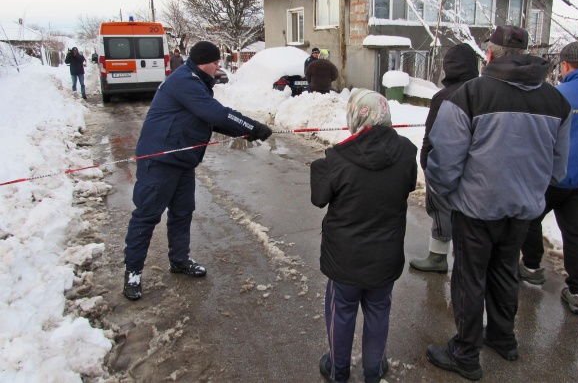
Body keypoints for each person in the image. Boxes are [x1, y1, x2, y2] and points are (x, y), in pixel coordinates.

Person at [425, 25, 572, 380]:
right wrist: (530, 190)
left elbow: (445, 160)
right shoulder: (557, 100)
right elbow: (559, 167)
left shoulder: (471, 94)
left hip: (476, 209)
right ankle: (503, 338)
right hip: (522, 208)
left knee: (469, 277)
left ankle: (465, 352)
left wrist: (444, 193)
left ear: (489, 54)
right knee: (505, 273)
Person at [122, 41, 273, 301]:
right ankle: (133, 273)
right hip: (160, 160)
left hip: (182, 160)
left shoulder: (197, 80)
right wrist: (253, 126)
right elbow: (215, 114)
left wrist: (247, 131)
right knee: (146, 216)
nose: (218, 65)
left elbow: (207, 118)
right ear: (203, 61)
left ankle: (179, 259)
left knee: (182, 212)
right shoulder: (185, 81)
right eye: (215, 61)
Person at [310, 89, 417, 383]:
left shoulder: (338, 157)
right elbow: (407, 184)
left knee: (341, 312)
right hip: (386, 256)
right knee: (379, 312)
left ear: (356, 116)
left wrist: (324, 163)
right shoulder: (407, 152)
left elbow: (319, 196)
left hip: (345, 260)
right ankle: (373, 370)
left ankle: (338, 370)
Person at [519, 41, 578, 315]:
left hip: (558, 176)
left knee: (530, 217)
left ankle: (532, 266)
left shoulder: (560, 94)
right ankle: (577, 291)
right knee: (576, 233)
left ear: (565, 65)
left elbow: (545, 136)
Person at [409, 43, 479, 273]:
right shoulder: (484, 91)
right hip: (478, 167)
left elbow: (432, 134)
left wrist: (426, 162)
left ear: (449, 68)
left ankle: (438, 257)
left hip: (447, 164)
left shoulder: (444, 96)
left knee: (440, 209)